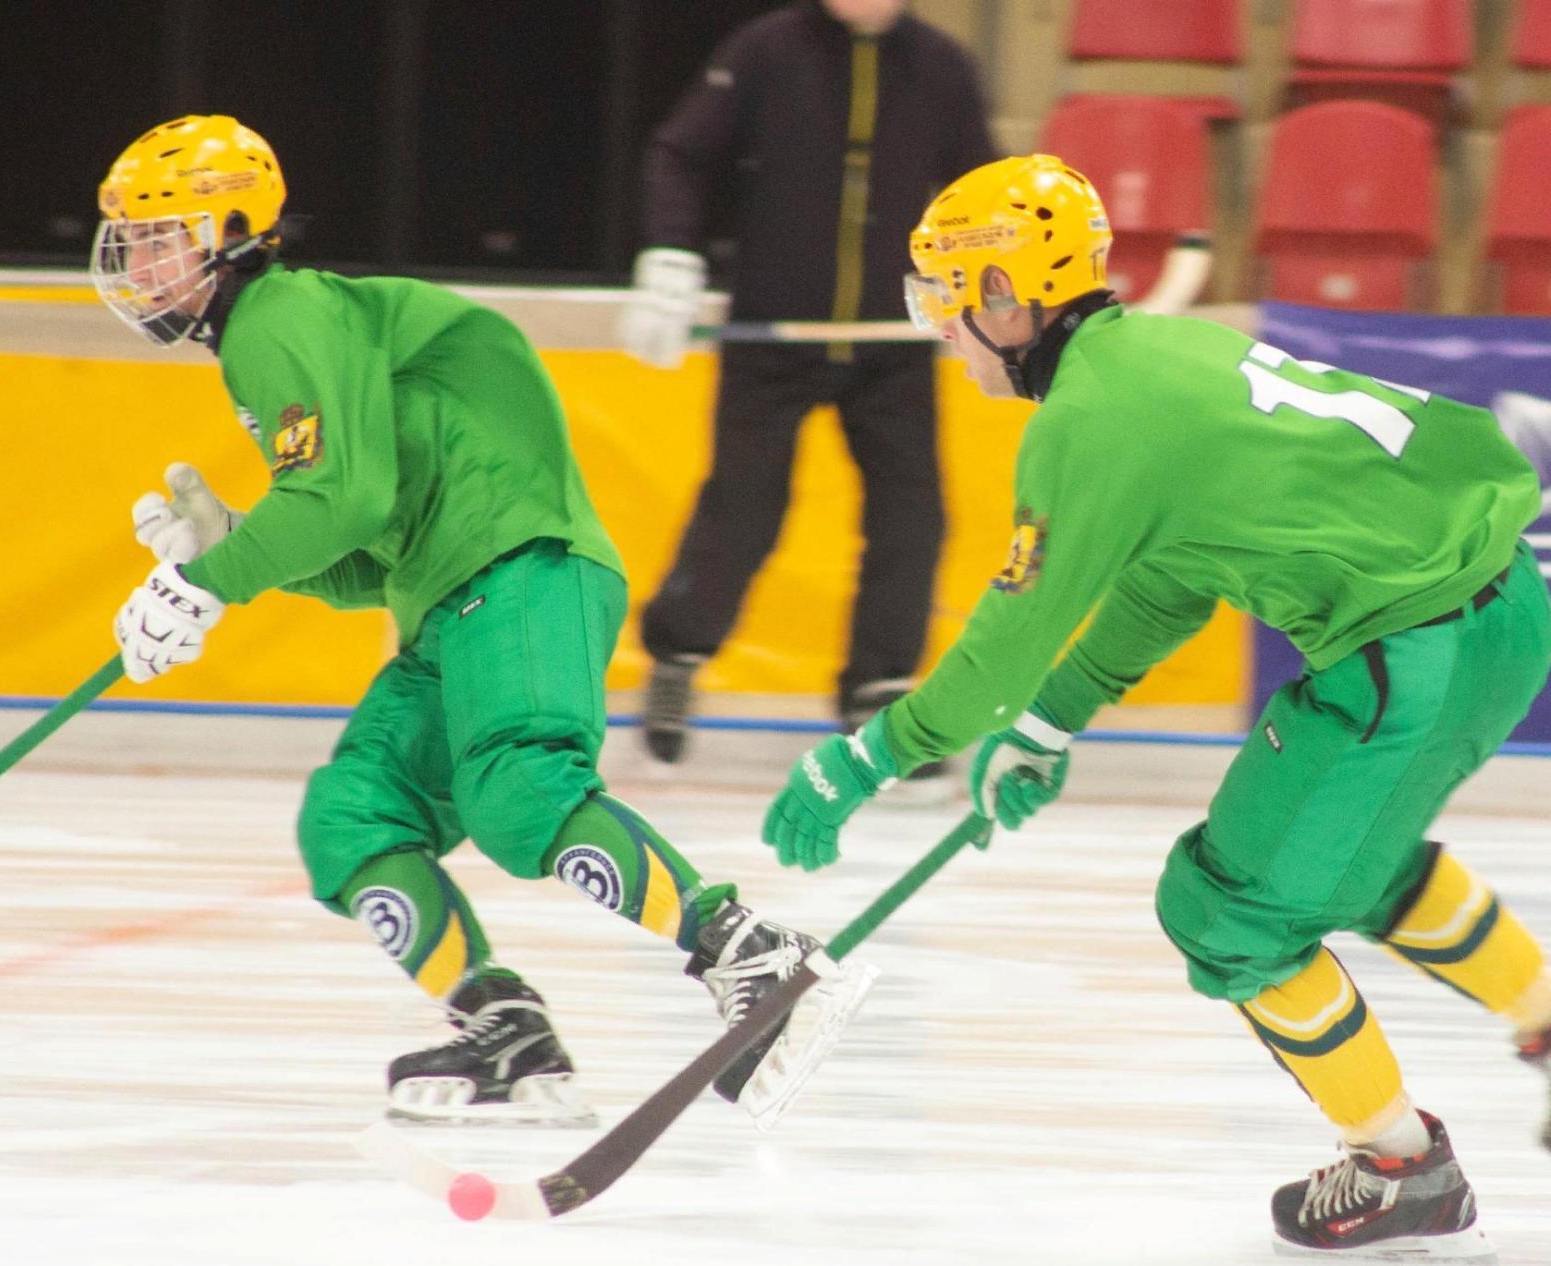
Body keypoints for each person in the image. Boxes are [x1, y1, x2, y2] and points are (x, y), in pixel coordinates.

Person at [760, 154, 1551, 1258]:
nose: (935, 322)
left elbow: (997, 651)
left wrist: (865, 757)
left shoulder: (1083, 419)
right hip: (1502, 611)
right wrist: (1050, 722)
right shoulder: (1165, 351)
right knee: (1346, 860)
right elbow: (1176, 570)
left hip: (1404, 657)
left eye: (943, 293)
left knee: (1225, 913)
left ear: (1005, 294)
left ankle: (1401, 1170)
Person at [92, 114, 871, 1129]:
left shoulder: (275, 318)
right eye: (135, 240)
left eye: (161, 236)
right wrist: (230, 544)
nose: (139, 263)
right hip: (450, 600)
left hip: (519, 571)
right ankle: (503, 1027)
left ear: (232, 228)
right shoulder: (290, 330)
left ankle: (746, 950)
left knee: (517, 794)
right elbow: (365, 559)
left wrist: (213, 579)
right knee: (350, 821)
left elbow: (342, 501)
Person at [621, 0, 997, 774]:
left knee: (912, 515)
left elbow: (986, 192)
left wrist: (991, 286)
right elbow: (680, 154)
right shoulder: (765, 50)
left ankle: (881, 691)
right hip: (773, 331)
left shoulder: (940, 68)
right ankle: (679, 653)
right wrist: (669, 250)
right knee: (745, 510)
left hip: (891, 340)